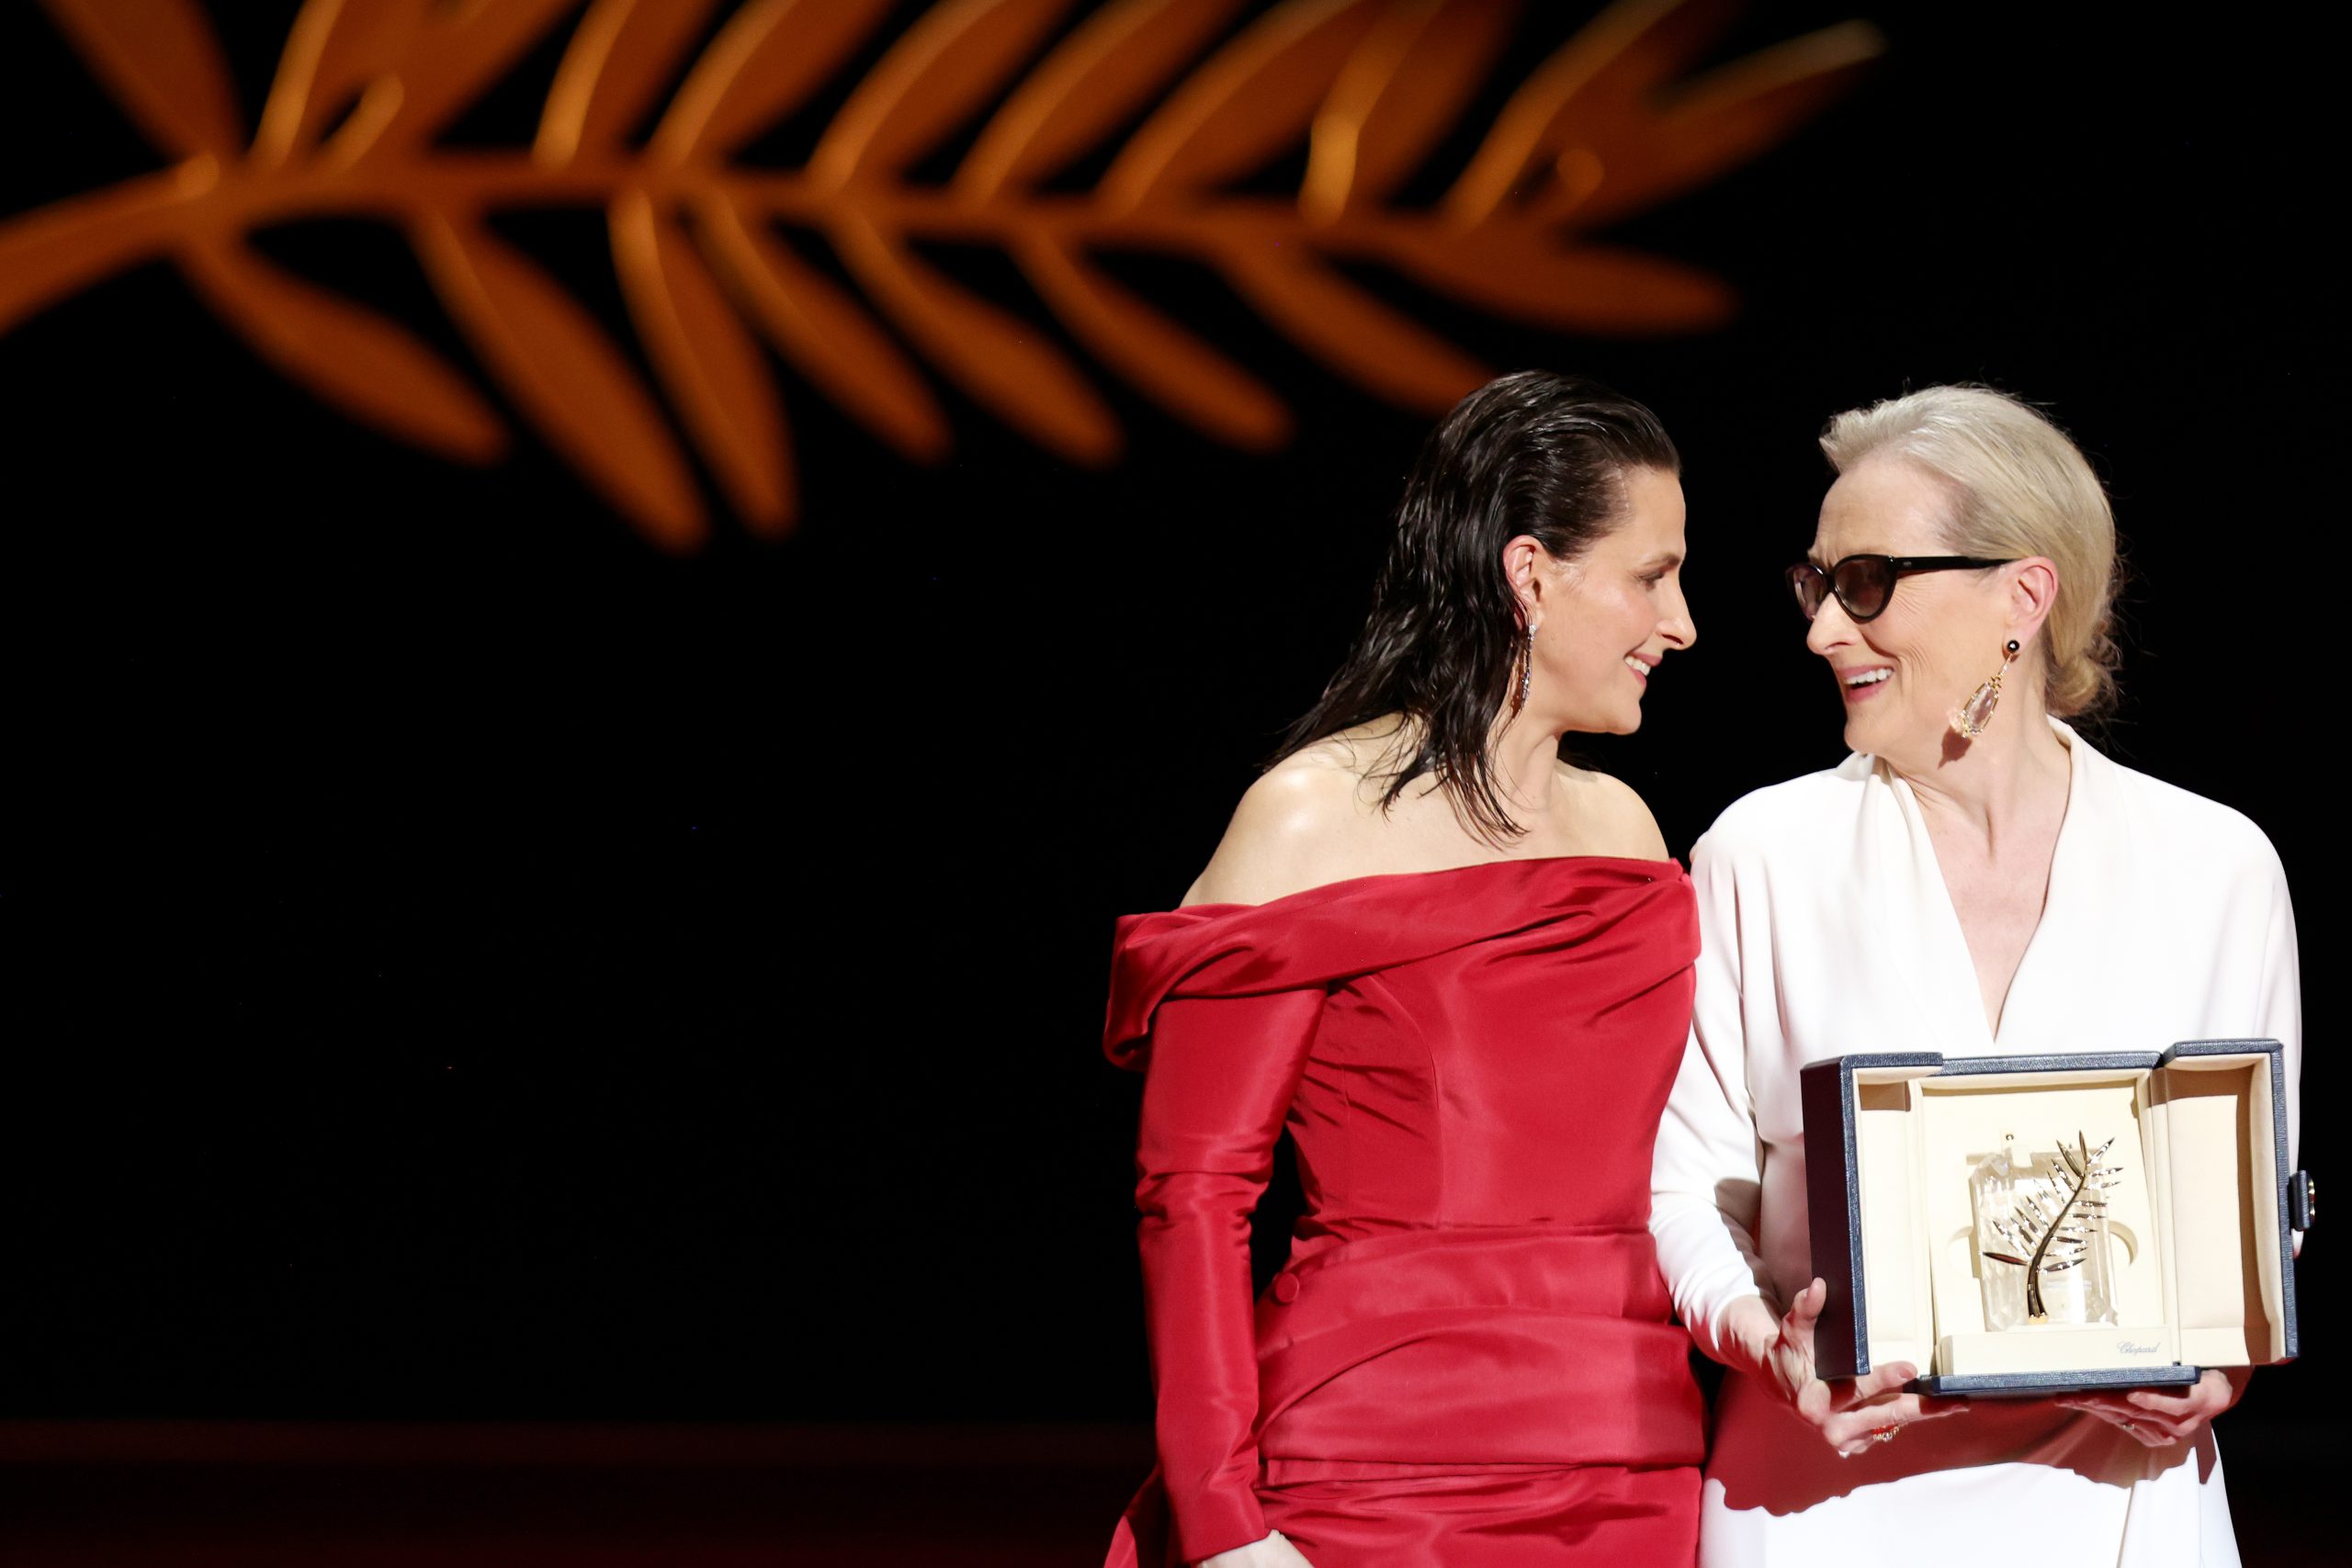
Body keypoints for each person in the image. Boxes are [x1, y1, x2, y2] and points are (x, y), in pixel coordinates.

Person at [1650, 385, 2301, 1565]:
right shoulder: (1762, 854)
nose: (1821, 633)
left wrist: (2225, 1361)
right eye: (1816, 588)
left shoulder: (2217, 866)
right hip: (1824, 1504)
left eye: (1864, 584)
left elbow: (2256, 1204)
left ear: (2023, 594)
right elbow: (1687, 1197)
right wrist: (1771, 1346)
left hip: (2121, 1499)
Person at [1102, 370, 1702, 1567]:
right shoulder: (1311, 818)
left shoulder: (1629, 831)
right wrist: (1224, 1519)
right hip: (1379, 1480)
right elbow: (1195, 1197)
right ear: (1531, 575)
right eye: (1653, 573)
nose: (1683, 621)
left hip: (1636, 1469)